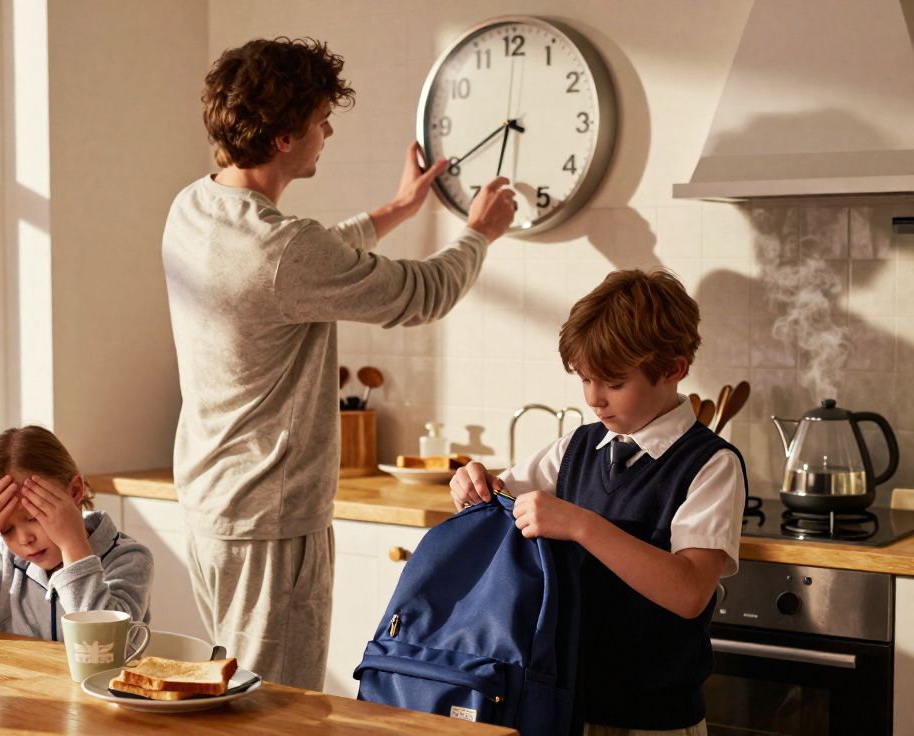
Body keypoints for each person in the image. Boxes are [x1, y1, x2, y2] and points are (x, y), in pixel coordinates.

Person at [162, 36, 516, 690]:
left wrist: (398, 210)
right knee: (276, 710)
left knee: (231, 694)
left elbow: (307, 263)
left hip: (215, 504)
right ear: (281, 139)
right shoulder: (282, 250)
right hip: (271, 519)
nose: (328, 130)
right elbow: (421, 293)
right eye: (320, 119)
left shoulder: (195, 208)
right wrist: (478, 233)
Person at [450, 269, 746, 735]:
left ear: (673, 368)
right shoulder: (577, 447)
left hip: (655, 721)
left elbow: (690, 593)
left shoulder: (712, 465)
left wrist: (581, 525)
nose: (593, 399)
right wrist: (473, 484)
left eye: (612, 383)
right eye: (585, 380)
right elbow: (499, 497)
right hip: (564, 706)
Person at [0, 425, 152, 638]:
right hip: (20, 693)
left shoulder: (128, 559)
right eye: (5, 529)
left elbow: (108, 647)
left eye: (34, 517)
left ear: (74, 492)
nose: (24, 539)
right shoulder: (5, 559)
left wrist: (73, 546)